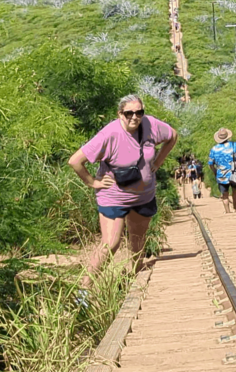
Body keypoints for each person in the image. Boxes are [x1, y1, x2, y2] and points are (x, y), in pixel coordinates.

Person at [68, 94, 178, 293]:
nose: (134, 117)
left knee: (137, 239)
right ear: (120, 114)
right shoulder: (109, 134)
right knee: (111, 243)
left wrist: (159, 161)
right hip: (113, 197)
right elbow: (75, 161)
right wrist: (93, 182)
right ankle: (84, 288)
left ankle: (136, 275)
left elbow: (173, 136)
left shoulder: (151, 125)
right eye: (129, 113)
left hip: (143, 195)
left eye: (139, 112)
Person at [208, 128, 236, 213]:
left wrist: (215, 171)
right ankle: (235, 207)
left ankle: (227, 211)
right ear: (227, 137)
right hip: (234, 173)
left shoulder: (214, 149)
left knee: (224, 195)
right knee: (235, 190)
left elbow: (211, 164)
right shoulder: (234, 145)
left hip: (221, 175)